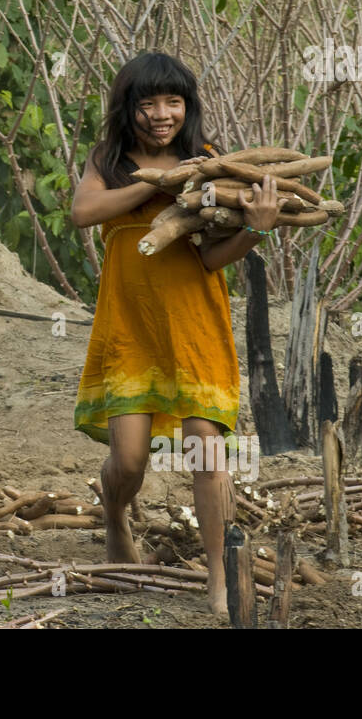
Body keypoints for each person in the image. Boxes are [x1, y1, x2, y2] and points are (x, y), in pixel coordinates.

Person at [69, 51, 285, 617]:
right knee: (131, 461)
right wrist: (157, 184)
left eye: (173, 102)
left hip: (194, 321)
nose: (161, 114)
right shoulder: (109, 161)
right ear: (128, 107)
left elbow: (213, 258)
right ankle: (115, 512)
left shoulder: (209, 163)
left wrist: (256, 232)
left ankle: (220, 577)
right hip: (131, 325)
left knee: (205, 451)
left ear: (187, 106)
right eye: (148, 103)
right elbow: (82, 213)